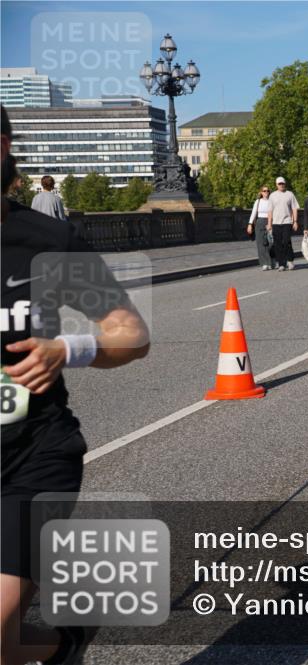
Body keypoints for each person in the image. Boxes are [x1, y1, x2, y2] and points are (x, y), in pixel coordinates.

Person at [1, 105, 150, 665]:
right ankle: (62, 645)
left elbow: (130, 333)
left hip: (32, 458)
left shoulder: (47, 240)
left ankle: (63, 640)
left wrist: (66, 349)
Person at [267, 176, 299, 271]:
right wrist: (269, 223)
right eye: (279, 184)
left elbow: (294, 208)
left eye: (282, 183)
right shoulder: (272, 195)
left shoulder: (290, 194)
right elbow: (270, 210)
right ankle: (281, 264)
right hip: (276, 223)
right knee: (277, 244)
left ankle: (290, 260)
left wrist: (295, 221)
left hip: (287, 222)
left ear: (285, 184)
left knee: (286, 242)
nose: (281, 185)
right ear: (276, 185)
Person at [247, 185, 275, 270]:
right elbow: (253, 213)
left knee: (270, 243)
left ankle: (272, 261)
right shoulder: (258, 201)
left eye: (267, 191)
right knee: (261, 243)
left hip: (270, 221)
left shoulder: (272, 201)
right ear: (261, 192)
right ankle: (264, 263)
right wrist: (250, 224)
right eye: (264, 191)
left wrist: (271, 223)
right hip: (260, 222)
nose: (266, 192)